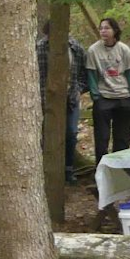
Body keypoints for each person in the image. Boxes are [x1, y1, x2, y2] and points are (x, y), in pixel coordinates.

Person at [34, 22, 88, 183]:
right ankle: (46, 170)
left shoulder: (75, 47)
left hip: (70, 99)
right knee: (46, 134)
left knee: (71, 133)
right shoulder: (39, 48)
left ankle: (68, 169)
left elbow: (85, 73)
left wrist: (78, 89)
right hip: (46, 100)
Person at [85, 17, 130, 162]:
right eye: (101, 28)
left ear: (115, 30)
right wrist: (96, 96)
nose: (103, 31)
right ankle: (102, 169)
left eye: (107, 28)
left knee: (122, 138)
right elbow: (91, 73)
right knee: (102, 138)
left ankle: (121, 170)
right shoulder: (93, 50)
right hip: (104, 97)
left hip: (123, 96)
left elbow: (129, 72)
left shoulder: (124, 49)